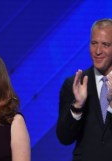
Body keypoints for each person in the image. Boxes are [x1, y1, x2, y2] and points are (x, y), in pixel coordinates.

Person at [56, 18, 112, 161]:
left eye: (105, 45)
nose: (98, 51)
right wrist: (77, 107)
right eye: (94, 43)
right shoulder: (74, 84)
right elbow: (64, 138)